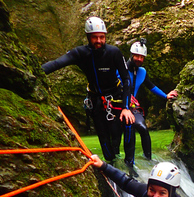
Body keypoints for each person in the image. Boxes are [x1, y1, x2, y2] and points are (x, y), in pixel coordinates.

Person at [42, 16, 136, 167]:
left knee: (122, 127)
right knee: (103, 136)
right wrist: (35, 71)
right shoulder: (80, 53)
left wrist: (126, 108)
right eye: (94, 37)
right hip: (96, 100)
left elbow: (126, 79)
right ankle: (111, 165)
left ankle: (130, 166)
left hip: (115, 97)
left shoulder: (114, 52)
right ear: (88, 37)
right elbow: (56, 64)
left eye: (102, 37)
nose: (98, 41)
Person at [121, 39, 178, 160]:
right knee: (118, 135)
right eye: (137, 56)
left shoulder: (142, 72)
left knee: (143, 128)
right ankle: (118, 161)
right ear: (131, 55)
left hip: (131, 107)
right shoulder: (120, 69)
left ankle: (148, 159)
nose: (139, 59)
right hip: (117, 106)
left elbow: (151, 86)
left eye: (142, 57)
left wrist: (166, 96)